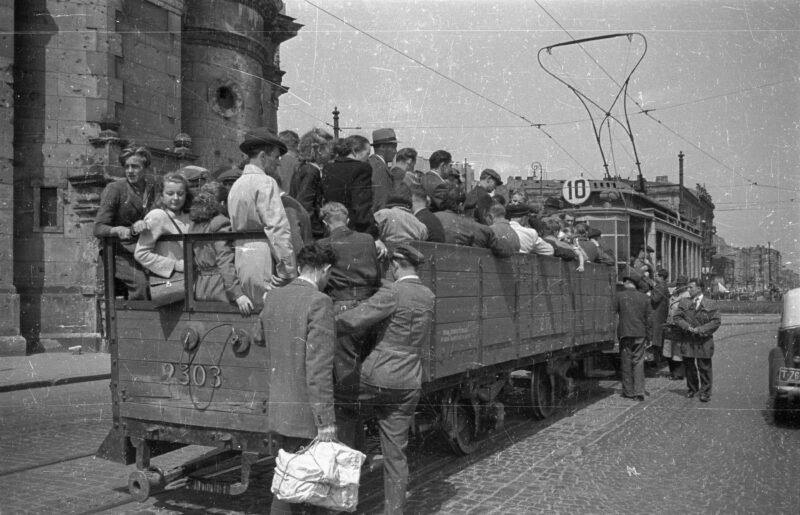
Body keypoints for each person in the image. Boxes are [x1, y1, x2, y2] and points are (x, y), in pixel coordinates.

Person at [335, 244, 435, 515]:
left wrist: (323, 322)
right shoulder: (428, 296)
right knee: (396, 454)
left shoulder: (393, 292)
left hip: (378, 374)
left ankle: (342, 494)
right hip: (409, 381)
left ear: (395, 265)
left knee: (339, 405)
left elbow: (355, 320)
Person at [259, 243, 337, 515]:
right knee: (298, 487)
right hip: (306, 413)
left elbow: (258, 335)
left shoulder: (274, 296)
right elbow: (318, 370)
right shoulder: (320, 302)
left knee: (291, 480)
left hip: (280, 407)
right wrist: (325, 421)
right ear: (325, 269)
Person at [316, 202, 381, 399]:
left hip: (342, 307)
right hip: (370, 306)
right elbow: (377, 274)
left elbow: (320, 280)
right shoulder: (368, 239)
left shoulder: (323, 244)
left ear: (325, 224)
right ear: (348, 220)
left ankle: (350, 409)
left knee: (345, 368)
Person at [227, 127, 296, 306]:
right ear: (263, 156)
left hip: (242, 257)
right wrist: (288, 271)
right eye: (276, 157)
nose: (278, 163)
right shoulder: (266, 182)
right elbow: (277, 228)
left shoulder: (236, 185)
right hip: (264, 257)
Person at [93, 146, 155, 299]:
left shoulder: (153, 190)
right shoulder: (115, 189)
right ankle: (137, 315)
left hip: (146, 251)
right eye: (127, 167)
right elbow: (98, 228)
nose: (130, 171)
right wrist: (119, 230)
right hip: (119, 254)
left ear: (146, 168)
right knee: (141, 285)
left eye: (135, 166)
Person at [188, 182, 253, 315]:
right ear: (222, 203)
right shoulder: (221, 222)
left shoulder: (194, 225)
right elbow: (224, 260)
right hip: (220, 287)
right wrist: (237, 294)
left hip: (200, 287)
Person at [322, 135, 387, 258]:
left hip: (331, 229)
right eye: (367, 154)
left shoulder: (328, 167)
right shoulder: (362, 168)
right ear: (354, 151)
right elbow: (362, 206)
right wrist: (374, 237)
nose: (368, 159)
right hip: (353, 231)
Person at [134, 173, 193, 282]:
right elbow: (141, 254)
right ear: (161, 196)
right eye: (170, 193)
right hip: (173, 281)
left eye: (180, 193)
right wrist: (175, 265)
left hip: (192, 279)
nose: (176, 198)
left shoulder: (189, 217)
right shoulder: (157, 216)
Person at [673, 278, 721, 402]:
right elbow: (677, 317)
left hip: (703, 340)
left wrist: (700, 329)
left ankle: (705, 392)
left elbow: (716, 321)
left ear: (699, 288)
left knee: (704, 367)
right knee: (689, 367)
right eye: (688, 287)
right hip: (688, 339)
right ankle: (692, 389)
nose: (688, 290)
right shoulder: (684, 302)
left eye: (691, 287)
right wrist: (687, 327)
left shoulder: (711, 303)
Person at [434, 185, 515, 257]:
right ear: (461, 205)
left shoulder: (432, 219)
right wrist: (505, 242)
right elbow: (503, 250)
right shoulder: (478, 228)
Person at [289, 128, 333, 238]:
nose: (331, 152)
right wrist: (320, 231)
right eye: (329, 148)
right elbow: (305, 206)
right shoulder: (312, 172)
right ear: (320, 150)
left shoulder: (302, 167)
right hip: (311, 234)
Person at [614, 275, 653, 401]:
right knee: (638, 362)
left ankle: (628, 391)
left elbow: (613, 312)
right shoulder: (645, 297)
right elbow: (649, 319)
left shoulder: (619, 296)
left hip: (625, 333)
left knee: (626, 362)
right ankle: (639, 392)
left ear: (627, 283)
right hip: (640, 333)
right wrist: (649, 337)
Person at [663, 275, 690, 380]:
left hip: (679, 326)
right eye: (678, 284)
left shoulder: (687, 296)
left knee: (677, 351)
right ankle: (673, 371)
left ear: (685, 285)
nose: (679, 286)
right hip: (670, 325)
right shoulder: (674, 293)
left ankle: (678, 373)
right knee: (668, 350)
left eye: (681, 284)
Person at [369, 128, 401, 212]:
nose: (395, 151)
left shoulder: (373, 163)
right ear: (382, 147)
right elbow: (380, 202)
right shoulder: (379, 168)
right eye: (393, 147)